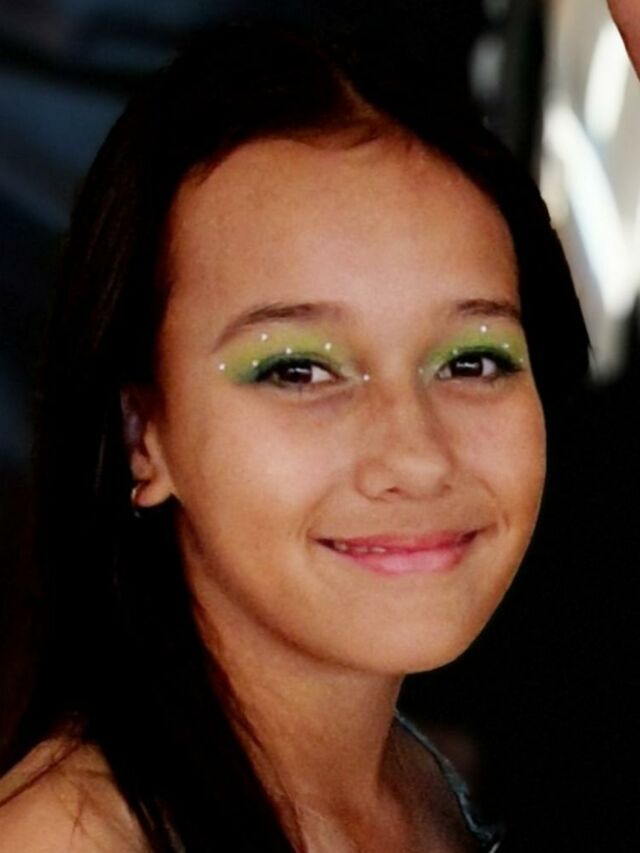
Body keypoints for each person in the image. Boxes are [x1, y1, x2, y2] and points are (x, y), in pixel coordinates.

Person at [0, 21, 588, 853]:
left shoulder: (422, 786)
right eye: (299, 371)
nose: (417, 456)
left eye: (473, 360)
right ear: (143, 434)